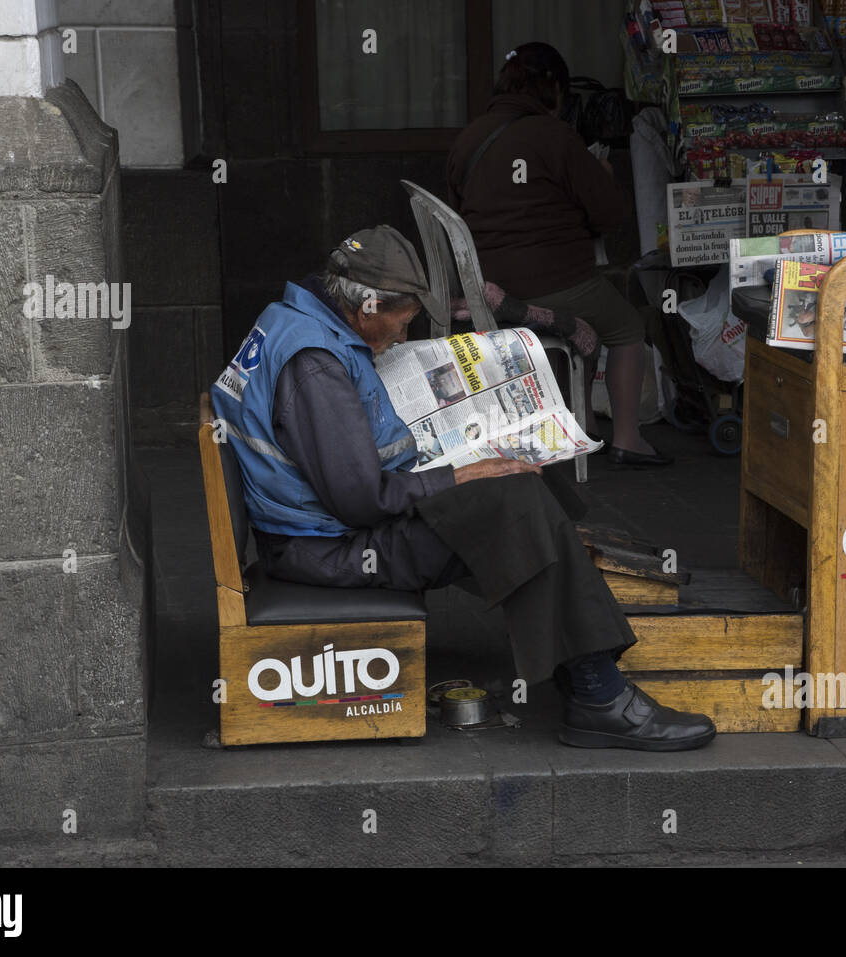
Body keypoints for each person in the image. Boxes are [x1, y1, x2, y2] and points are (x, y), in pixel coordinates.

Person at [210, 225, 715, 751]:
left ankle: (581, 669)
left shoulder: (296, 317)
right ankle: (599, 696)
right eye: (399, 324)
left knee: (531, 480)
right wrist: (456, 474)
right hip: (327, 549)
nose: (401, 338)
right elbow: (361, 502)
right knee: (515, 504)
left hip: (323, 526)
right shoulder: (313, 366)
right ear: (366, 305)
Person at [446, 42, 671, 468]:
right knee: (626, 327)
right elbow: (610, 214)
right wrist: (601, 175)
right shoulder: (555, 137)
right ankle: (627, 438)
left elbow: (466, 209)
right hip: (555, 286)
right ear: (552, 91)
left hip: (486, 287)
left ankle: (576, 424)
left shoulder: (469, 138)